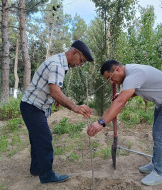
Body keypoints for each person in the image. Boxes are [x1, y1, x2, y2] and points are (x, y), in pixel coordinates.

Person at [87, 59, 162, 186]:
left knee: (160, 136)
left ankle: (160, 173)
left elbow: (120, 103)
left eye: (111, 78)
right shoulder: (132, 72)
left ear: (117, 69)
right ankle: (156, 163)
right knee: (157, 134)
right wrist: (124, 93)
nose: (112, 82)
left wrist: (101, 122)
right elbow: (139, 88)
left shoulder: (134, 74)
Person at [20, 40, 93, 184]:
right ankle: (47, 176)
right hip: (33, 107)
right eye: (81, 60)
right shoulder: (58, 65)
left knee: (37, 140)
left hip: (29, 105)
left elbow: (53, 88)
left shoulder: (59, 62)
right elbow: (54, 91)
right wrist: (74, 107)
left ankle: (36, 169)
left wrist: (57, 98)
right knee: (45, 140)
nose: (80, 65)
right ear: (74, 52)